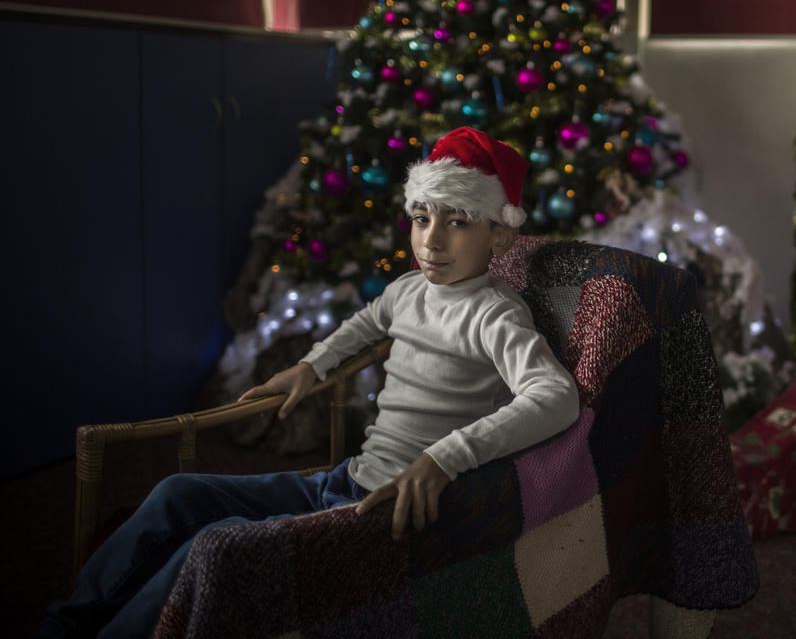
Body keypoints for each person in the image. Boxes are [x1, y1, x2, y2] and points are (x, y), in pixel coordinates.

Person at [38, 127, 580, 638]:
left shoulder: (493, 313)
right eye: (421, 218)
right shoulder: (407, 290)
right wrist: (312, 366)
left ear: (500, 235)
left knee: (210, 545)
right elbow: (364, 324)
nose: (431, 240)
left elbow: (554, 396)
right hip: (346, 480)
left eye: (457, 222)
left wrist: (447, 457)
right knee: (176, 494)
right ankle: (67, 624)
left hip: (386, 511)